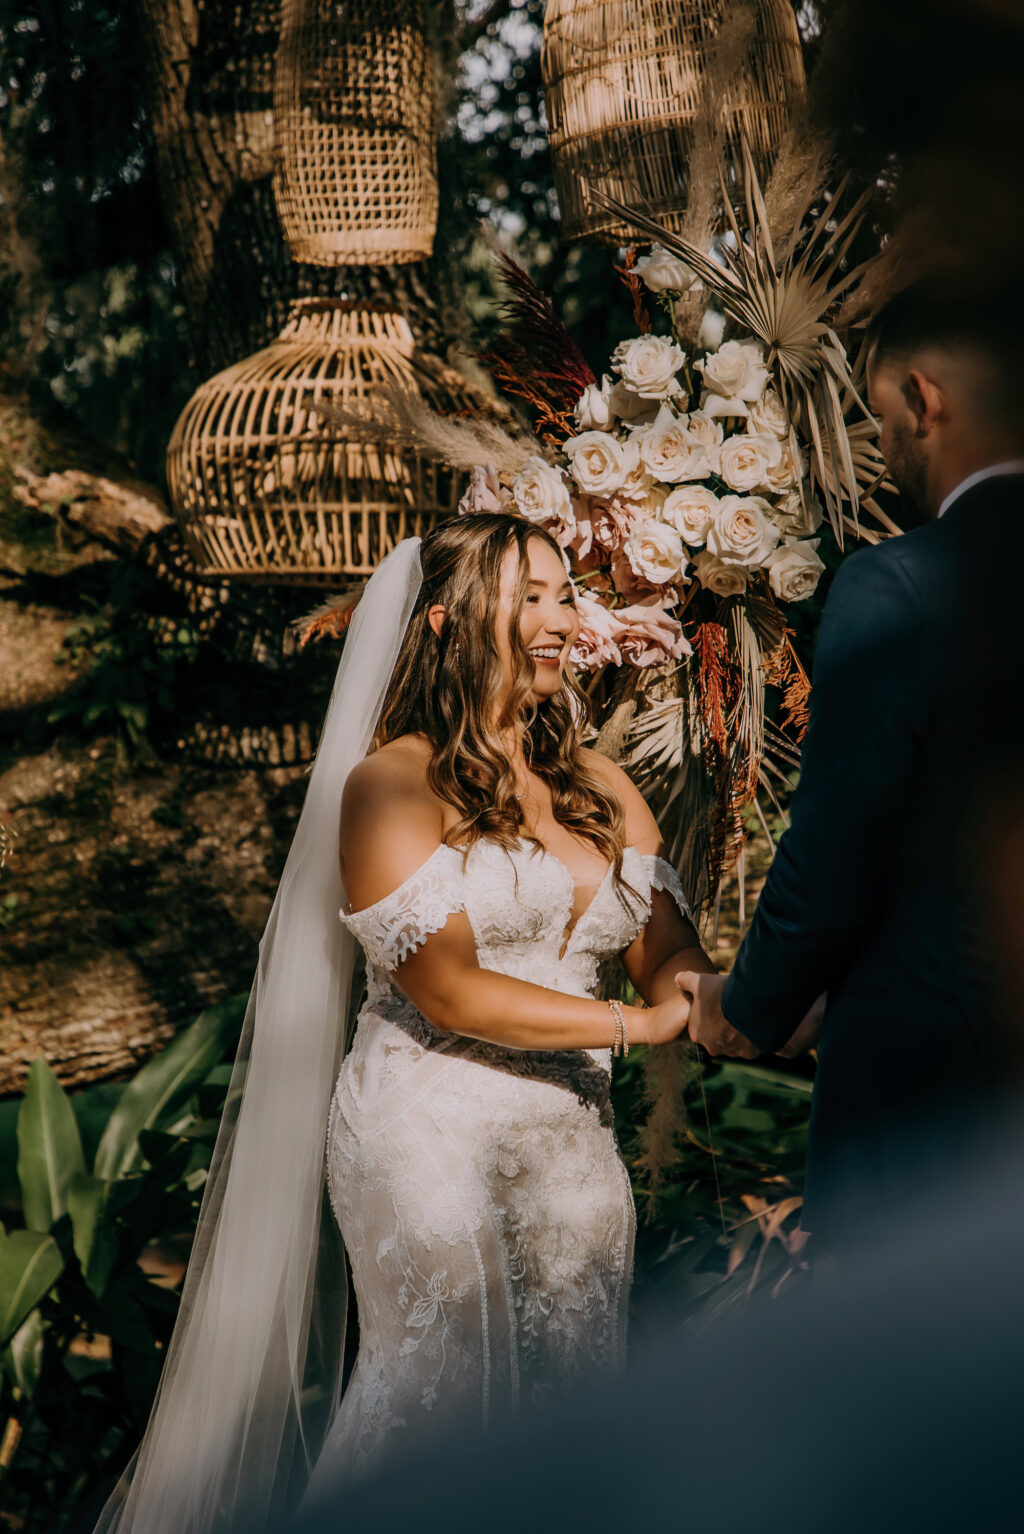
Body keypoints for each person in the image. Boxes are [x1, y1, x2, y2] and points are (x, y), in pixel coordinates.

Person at [97, 512, 708, 1534]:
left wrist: (724, 996)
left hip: (572, 1143)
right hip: (429, 1130)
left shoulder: (600, 786)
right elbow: (450, 991)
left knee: (570, 1388)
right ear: (448, 621)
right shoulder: (391, 782)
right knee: (444, 1396)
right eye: (534, 597)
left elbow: (668, 953)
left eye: (565, 593)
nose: (563, 618)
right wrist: (635, 1025)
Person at [678, 277, 1024, 1241]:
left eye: (881, 419)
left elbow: (835, 850)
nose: (889, 451)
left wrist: (747, 1004)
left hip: (938, 1094)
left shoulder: (903, 584)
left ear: (926, 398)